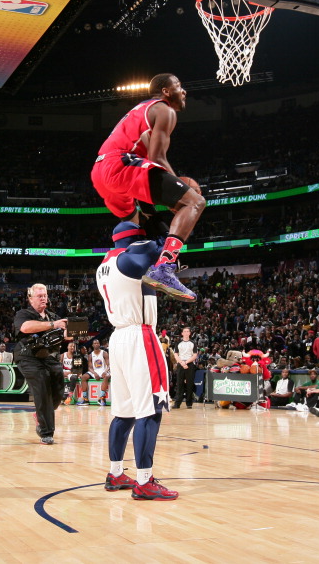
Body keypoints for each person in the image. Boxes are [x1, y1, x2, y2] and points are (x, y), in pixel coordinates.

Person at [91, 73, 206, 302]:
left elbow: (148, 167)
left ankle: (140, 269)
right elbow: (157, 158)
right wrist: (181, 192)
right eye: (179, 86)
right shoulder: (164, 109)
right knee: (195, 202)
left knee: (145, 227)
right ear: (165, 91)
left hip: (101, 172)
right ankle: (164, 268)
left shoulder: (139, 109)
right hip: (121, 165)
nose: (184, 92)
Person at [96, 221, 177, 500]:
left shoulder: (104, 264)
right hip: (140, 334)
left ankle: (116, 473)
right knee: (151, 409)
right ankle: (144, 480)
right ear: (137, 239)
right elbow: (166, 247)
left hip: (117, 338)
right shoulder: (133, 256)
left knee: (124, 412)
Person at [13, 283, 68, 445]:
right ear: (30, 299)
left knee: (58, 392)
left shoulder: (52, 316)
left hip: (49, 357)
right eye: (39, 296)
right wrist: (54, 325)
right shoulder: (24, 314)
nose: (43, 298)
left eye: (45, 295)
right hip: (28, 356)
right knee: (42, 384)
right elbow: (25, 327)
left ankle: (40, 414)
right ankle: (46, 432)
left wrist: (71, 333)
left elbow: (62, 336)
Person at [78, 339, 110, 406]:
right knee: (83, 377)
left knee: (107, 376)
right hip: (94, 371)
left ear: (99, 344)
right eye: (95, 343)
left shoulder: (104, 353)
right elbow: (90, 367)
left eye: (97, 343)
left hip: (103, 370)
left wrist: (105, 371)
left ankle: (101, 398)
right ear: (92, 345)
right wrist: (94, 373)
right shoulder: (90, 355)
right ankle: (85, 399)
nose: (96, 344)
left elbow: (109, 365)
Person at [173, 326, 198, 409]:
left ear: (190, 333)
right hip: (180, 363)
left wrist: (186, 362)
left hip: (189, 364)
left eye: (188, 331)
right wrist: (182, 362)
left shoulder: (193, 343)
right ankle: (177, 403)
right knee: (179, 384)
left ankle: (189, 403)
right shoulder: (178, 343)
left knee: (189, 384)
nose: (186, 333)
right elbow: (176, 354)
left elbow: (195, 355)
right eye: (185, 331)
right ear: (182, 333)